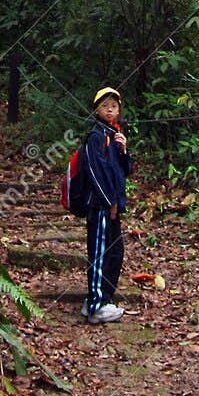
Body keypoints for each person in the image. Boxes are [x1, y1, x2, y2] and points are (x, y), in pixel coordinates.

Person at [81, 85, 132, 325]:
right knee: (100, 253)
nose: (110, 110)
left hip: (113, 205)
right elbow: (94, 171)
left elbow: (126, 171)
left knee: (115, 252)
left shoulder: (114, 135)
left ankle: (102, 298)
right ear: (97, 111)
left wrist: (123, 150)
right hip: (100, 205)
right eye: (105, 106)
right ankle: (95, 305)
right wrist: (108, 201)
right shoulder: (96, 136)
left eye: (113, 106)